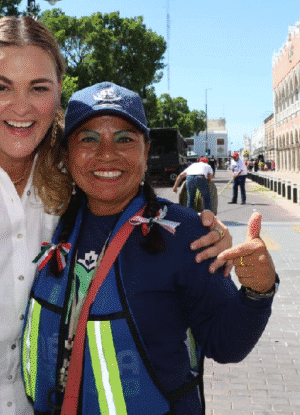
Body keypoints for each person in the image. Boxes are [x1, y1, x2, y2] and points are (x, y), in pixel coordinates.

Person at [0, 17, 233, 414]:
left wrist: (200, 234)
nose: (21, 107)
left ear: (57, 93)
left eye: (38, 88)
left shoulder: (66, 166)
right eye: (0, 87)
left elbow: (120, 211)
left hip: (21, 396)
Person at [22, 82, 278, 414]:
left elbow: (226, 345)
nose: (107, 154)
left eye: (125, 139)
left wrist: (258, 291)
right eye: (88, 138)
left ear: (145, 153)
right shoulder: (47, 223)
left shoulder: (186, 232)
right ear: (68, 154)